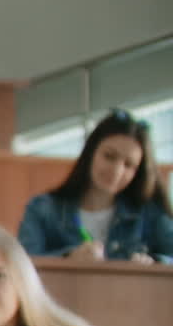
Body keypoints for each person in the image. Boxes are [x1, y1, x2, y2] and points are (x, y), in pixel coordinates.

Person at [18, 108, 173, 263]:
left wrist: (154, 262)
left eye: (129, 165)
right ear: (91, 152)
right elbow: (22, 265)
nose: (117, 171)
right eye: (109, 156)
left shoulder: (150, 215)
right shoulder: (43, 209)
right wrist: (69, 258)